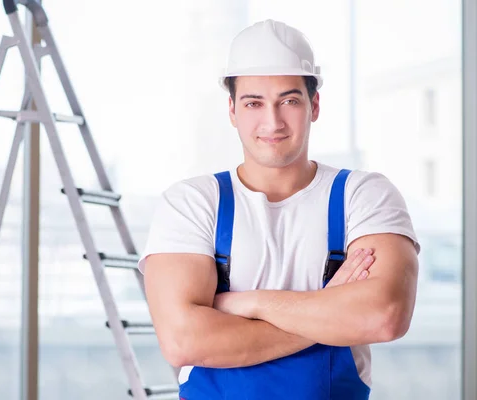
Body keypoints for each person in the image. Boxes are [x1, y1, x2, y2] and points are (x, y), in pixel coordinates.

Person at [137, 19, 420, 399]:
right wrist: (328, 311)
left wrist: (245, 303)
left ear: (314, 105)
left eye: (289, 100)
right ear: (233, 110)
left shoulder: (364, 195)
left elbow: (383, 317)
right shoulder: (193, 202)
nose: (272, 121)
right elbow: (183, 341)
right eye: (254, 103)